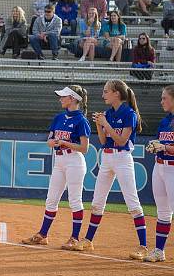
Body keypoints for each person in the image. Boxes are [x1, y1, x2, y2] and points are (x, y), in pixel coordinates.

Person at [75, 80, 148, 259]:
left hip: (122, 158)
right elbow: (103, 141)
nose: (103, 95)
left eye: (106, 91)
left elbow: (122, 141)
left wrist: (106, 123)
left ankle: (143, 246)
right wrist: (99, 125)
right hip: (106, 157)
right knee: (97, 201)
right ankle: (88, 240)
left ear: (117, 93)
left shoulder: (129, 113)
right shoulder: (109, 113)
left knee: (133, 203)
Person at [21, 86, 91, 250]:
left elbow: (84, 148)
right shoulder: (59, 117)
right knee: (51, 199)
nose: (60, 99)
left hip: (74, 160)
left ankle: (74, 238)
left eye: (63, 96)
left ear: (72, 99)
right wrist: (52, 143)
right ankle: (42, 235)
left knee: (75, 200)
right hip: (59, 161)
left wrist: (65, 143)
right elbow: (50, 140)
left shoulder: (81, 120)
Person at [142, 85, 174, 261]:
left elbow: (168, 146)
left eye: (164, 98)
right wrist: (156, 146)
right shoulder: (164, 121)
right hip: (159, 167)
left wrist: (165, 147)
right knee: (162, 211)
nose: (161, 101)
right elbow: (162, 143)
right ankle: (159, 251)